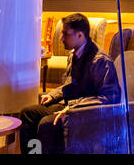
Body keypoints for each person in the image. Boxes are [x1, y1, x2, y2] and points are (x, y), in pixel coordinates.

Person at [19, 12, 120, 154]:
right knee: (28, 114)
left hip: (87, 113)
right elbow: (72, 85)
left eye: (66, 34)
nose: (61, 38)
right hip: (71, 107)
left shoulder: (100, 61)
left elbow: (110, 98)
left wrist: (73, 107)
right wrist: (54, 95)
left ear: (79, 35)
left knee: (47, 123)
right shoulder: (74, 54)